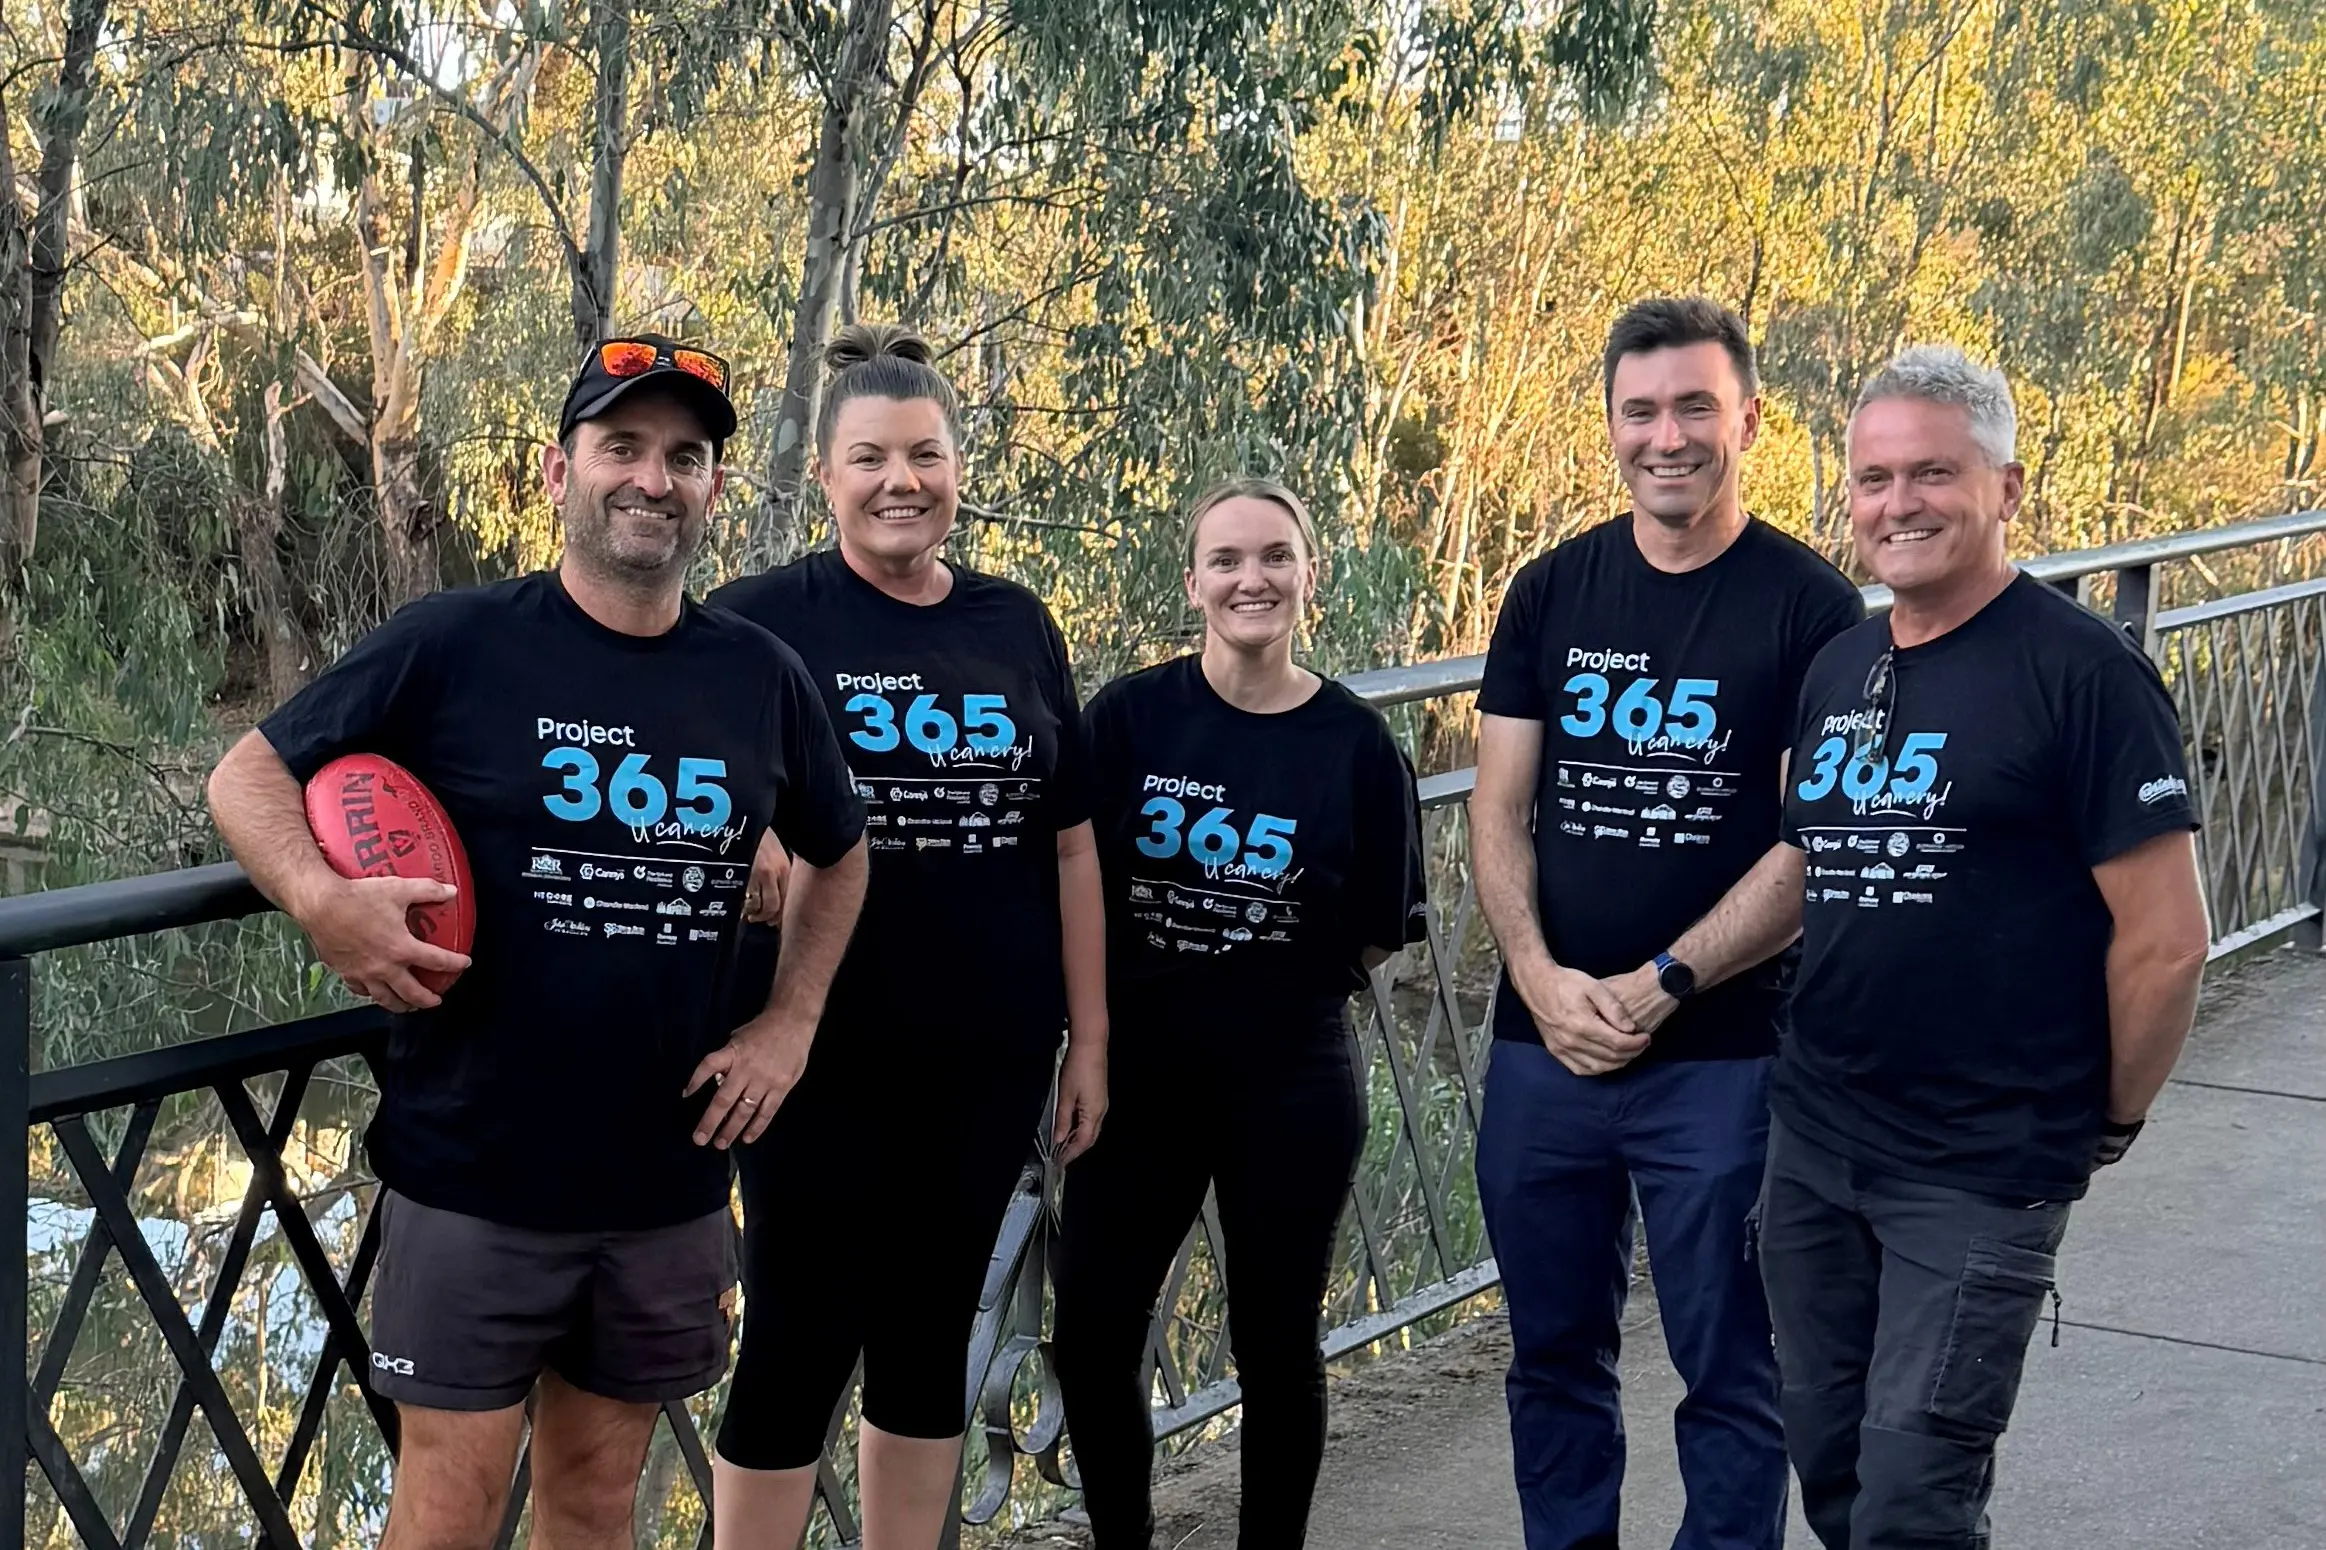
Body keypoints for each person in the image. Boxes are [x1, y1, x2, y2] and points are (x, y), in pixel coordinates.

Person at [205, 335, 871, 1550]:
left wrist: (790, 1023)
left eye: (683, 457)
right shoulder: (454, 641)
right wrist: (315, 896)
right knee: (446, 1516)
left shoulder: (758, 677)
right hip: (475, 1172)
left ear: (713, 488)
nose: (652, 479)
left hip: (665, 1175)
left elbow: (843, 847)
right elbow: (249, 774)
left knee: (594, 1507)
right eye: (621, 446)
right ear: (558, 472)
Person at [1759, 345, 2210, 1547]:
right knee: (1832, 1461)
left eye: (1932, 474)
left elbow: (2168, 942)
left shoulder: (2085, 674)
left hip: (1976, 1162)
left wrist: (2105, 1116)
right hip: (1813, 1140)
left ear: (2006, 487)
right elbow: (1820, 866)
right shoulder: (1839, 667)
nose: (1896, 503)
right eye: (1871, 478)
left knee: (1916, 1496)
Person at [705, 323, 1109, 1550]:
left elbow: (1073, 841)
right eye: (871, 456)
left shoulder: (1013, 622)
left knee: (934, 1333)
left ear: (957, 468)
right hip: (808, 1052)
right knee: (794, 1334)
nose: (901, 481)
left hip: (985, 1053)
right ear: (825, 474)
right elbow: (696, 782)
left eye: (925, 454)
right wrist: (750, 836)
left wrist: (1088, 1038)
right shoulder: (755, 621)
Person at [1471, 297, 1864, 1550]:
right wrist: (1536, 977)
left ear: (1747, 417)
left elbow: (1818, 840)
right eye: (1640, 410)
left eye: (1696, 405)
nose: (1667, 435)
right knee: (1550, 1359)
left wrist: (1665, 980)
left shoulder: (1811, 608)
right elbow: (1496, 808)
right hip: (1546, 1054)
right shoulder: (1550, 591)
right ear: (1609, 428)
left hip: (1724, 1055)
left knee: (1732, 1370)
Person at [1052, 479, 1428, 1548]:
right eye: (1225, 560)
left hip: (1290, 1081)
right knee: (1089, 1334)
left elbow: (1372, 926)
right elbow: (1071, 874)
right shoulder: (1127, 718)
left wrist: (1260, 982)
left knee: (1273, 1342)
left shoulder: (1355, 745)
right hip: (1135, 1078)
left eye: (1273, 557)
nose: (1249, 578)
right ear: (1194, 583)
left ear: (1308, 575)